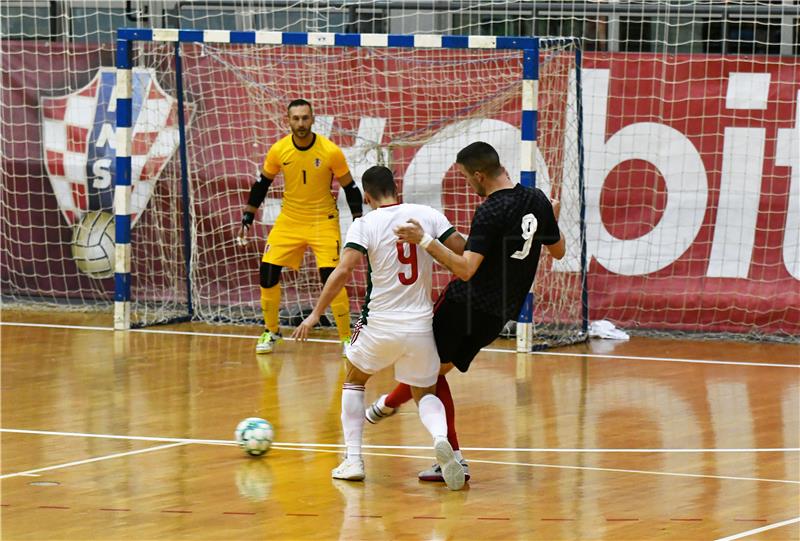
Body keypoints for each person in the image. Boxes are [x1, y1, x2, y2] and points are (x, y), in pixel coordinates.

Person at [366, 141, 565, 483]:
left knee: (426, 373)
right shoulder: (537, 200)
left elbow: (466, 269)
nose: (467, 185)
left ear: (478, 174)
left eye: (465, 177)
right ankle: (387, 404)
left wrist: (424, 240)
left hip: (463, 304)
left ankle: (452, 457)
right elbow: (558, 250)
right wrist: (551, 218)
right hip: (499, 314)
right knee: (433, 370)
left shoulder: (490, 209)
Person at [292, 165, 467, 490]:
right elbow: (462, 250)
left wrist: (315, 313)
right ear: (396, 188)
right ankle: (442, 441)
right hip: (420, 327)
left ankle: (354, 460)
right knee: (425, 392)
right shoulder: (426, 214)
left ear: (368, 196)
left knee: (354, 378)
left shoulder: (365, 223)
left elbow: (343, 271)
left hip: (380, 325)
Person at [240, 99, 363, 355]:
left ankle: (345, 339)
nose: (301, 124)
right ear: (288, 121)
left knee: (332, 277)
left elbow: (350, 187)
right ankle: (271, 331)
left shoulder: (330, 151)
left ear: (313, 119)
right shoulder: (279, 150)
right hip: (289, 220)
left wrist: (359, 219)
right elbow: (262, 184)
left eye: (305, 118)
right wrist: (248, 217)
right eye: (295, 119)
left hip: (322, 221)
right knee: (268, 272)